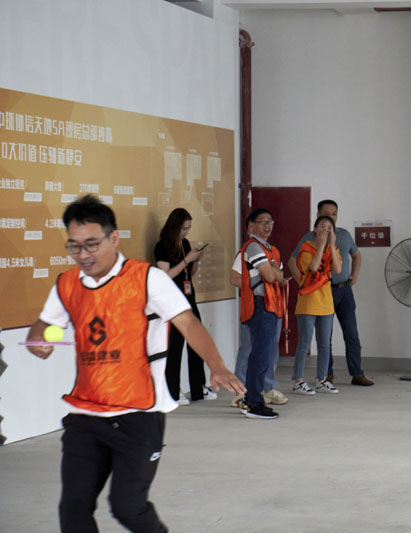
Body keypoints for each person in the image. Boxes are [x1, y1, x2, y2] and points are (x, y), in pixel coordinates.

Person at [25, 195, 244, 533]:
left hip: (139, 415)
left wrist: (216, 364)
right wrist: (41, 338)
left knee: (128, 507)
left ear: (113, 238)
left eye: (92, 244)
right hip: (86, 414)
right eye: (74, 246)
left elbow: (188, 323)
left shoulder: (146, 279)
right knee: (73, 509)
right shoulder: (68, 284)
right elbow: (43, 325)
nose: (83, 254)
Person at [289, 200, 373, 386]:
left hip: (344, 290)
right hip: (321, 292)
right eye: (326, 214)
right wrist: (303, 282)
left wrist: (355, 274)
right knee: (324, 338)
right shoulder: (309, 238)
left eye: (334, 214)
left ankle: (357, 373)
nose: (331, 217)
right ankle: (326, 375)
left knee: (351, 333)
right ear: (318, 215)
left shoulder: (343, 235)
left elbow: (356, 255)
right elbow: (292, 261)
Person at [154, 208, 213, 405]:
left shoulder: (185, 244)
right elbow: (165, 276)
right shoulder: (162, 246)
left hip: (188, 298)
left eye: (188, 228)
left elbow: (190, 273)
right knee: (175, 347)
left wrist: (195, 260)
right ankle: (173, 391)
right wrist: (186, 259)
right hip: (171, 301)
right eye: (184, 229)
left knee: (197, 343)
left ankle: (198, 388)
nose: (186, 232)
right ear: (175, 227)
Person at [230, 216, 288, 408]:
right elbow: (235, 278)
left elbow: (279, 277)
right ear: (251, 226)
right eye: (263, 222)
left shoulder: (274, 251)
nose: (268, 225)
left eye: (270, 222)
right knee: (249, 349)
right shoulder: (249, 249)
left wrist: (272, 275)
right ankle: (242, 392)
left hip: (274, 306)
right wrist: (266, 277)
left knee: (269, 350)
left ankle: (267, 388)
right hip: (256, 306)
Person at [291, 215, 342, 395]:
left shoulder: (333, 248)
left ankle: (322, 379)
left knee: (324, 343)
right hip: (308, 302)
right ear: (314, 229)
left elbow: (338, 269)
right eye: (322, 226)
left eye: (329, 227)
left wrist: (331, 246)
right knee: (305, 342)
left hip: (326, 302)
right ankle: (298, 380)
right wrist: (321, 246)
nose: (325, 230)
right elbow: (313, 267)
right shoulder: (306, 247)